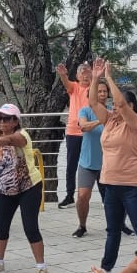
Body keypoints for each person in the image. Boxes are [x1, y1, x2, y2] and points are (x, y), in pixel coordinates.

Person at [90, 59, 137, 273]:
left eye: (120, 104)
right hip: (110, 185)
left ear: (132, 107)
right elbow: (93, 102)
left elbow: (120, 104)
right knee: (113, 230)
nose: (115, 106)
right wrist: (95, 78)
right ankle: (106, 269)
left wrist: (109, 77)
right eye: (113, 104)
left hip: (132, 187)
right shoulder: (110, 121)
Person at [0, 103, 49, 273]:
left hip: (29, 187)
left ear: (16, 121)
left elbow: (12, 140)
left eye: (7, 118)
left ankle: (41, 269)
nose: (2, 122)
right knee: (0, 226)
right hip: (6, 190)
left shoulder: (22, 135)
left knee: (30, 227)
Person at [72, 79, 110, 238]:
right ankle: (82, 226)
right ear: (91, 95)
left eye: (104, 91)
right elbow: (84, 126)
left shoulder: (113, 111)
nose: (102, 94)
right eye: (98, 91)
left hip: (108, 164)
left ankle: (117, 224)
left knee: (112, 198)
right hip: (87, 163)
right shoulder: (85, 111)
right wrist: (101, 119)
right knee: (82, 197)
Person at [54, 62, 93, 208]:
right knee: (71, 165)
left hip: (91, 131)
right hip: (73, 131)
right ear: (76, 76)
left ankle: (105, 195)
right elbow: (66, 83)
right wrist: (63, 75)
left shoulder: (94, 88)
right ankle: (70, 196)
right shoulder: (74, 87)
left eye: (87, 71)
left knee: (97, 163)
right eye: (82, 72)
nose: (85, 74)